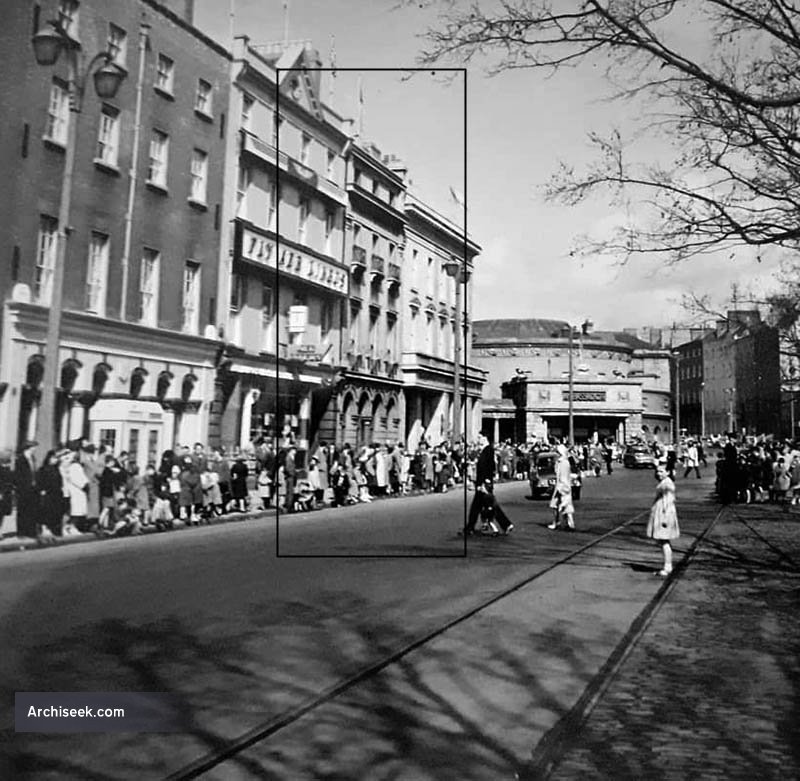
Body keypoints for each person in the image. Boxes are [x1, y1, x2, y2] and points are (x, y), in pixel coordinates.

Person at [461, 433, 513, 536]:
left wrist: (484, 483)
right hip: (481, 483)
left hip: (484, 484)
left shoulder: (488, 450)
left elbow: (488, 467)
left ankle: (505, 524)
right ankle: (470, 527)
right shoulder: (484, 450)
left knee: (490, 505)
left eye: (480, 437)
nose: (478, 439)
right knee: (478, 507)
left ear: (485, 438)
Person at [646, 466, 680, 576]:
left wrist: (665, 519)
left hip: (664, 514)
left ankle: (668, 566)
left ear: (668, 472)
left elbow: (668, 501)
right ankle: (667, 565)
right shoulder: (665, 482)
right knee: (663, 541)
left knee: (664, 541)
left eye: (661, 471)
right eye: (657, 471)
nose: (658, 474)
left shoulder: (667, 484)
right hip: (661, 512)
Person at [14, 439, 39, 539]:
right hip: (23, 489)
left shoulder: (32, 458)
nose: (35, 449)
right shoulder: (21, 459)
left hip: (33, 489)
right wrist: (21, 487)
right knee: (22, 510)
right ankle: (21, 532)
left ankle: (30, 531)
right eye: (34, 447)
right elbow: (18, 475)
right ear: (29, 448)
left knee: (31, 510)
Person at [548, 444, 576, 531]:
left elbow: (563, 476)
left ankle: (569, 524)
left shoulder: (563, 463)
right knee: (556, 505)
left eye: (557, 452)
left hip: (562, 487)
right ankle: (558, 522)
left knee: (565, 506)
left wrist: (561, 488)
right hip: (561, 486)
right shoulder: (561, 462)